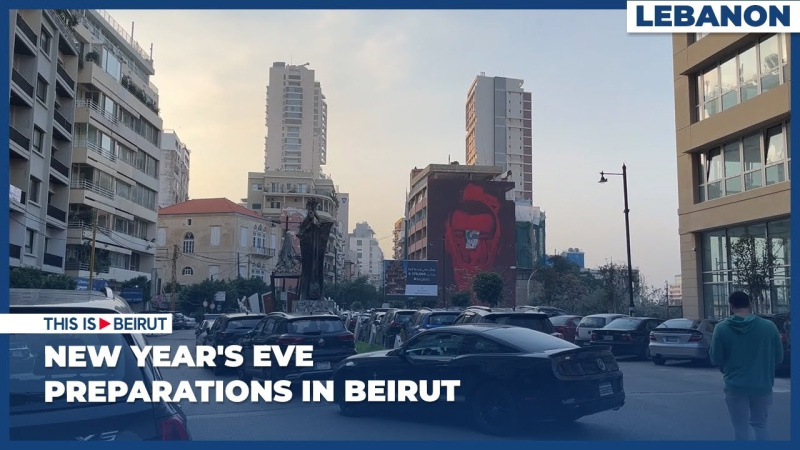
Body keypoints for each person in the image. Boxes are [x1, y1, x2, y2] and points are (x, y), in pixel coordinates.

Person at [709, 291, 784, 441]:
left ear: (731, 306)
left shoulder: (721, 328)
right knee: (760, 425)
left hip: (735, 386)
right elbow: (779, 358)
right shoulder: (769, 327)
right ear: (750, 304)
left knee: (740, 429)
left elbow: (715, 358)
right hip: (762, 385)